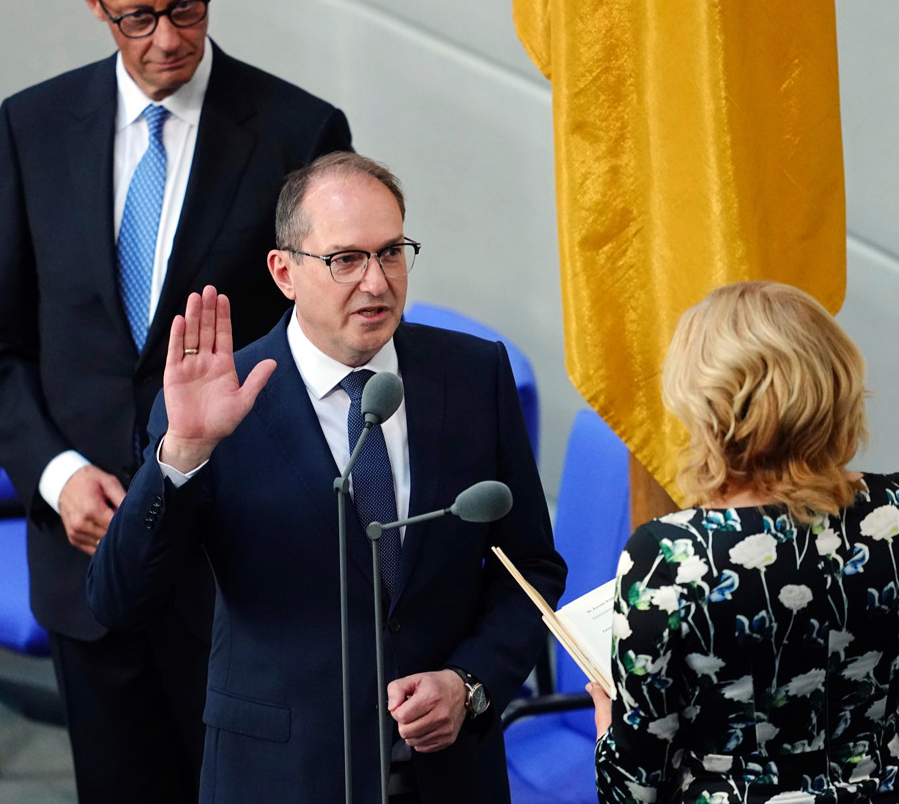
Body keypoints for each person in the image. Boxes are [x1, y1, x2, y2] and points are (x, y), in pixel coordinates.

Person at [0, 0, 352, 804]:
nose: (168, 37)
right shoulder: (32, 127)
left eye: (187, 7)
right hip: (88, 557)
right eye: (138, 16)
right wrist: (56, 475)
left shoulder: (301, 133)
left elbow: (331, 347)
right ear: (94, 3)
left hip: (238, 572)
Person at [86, 152, 565, 803]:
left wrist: (468, 682)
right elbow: (118, 601)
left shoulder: (473, 375)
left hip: (446, 773)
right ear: (284, 271)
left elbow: (529, 568)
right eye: (346, 259)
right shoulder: (216, 402)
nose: (377, 282)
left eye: (391, 252)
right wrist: (184, 450)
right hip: (282, 773)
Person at [587, 281, 899, 804]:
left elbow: (636, 784)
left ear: (709, 405)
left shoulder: (670, 559)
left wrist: (607, 731)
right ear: (835, 380)